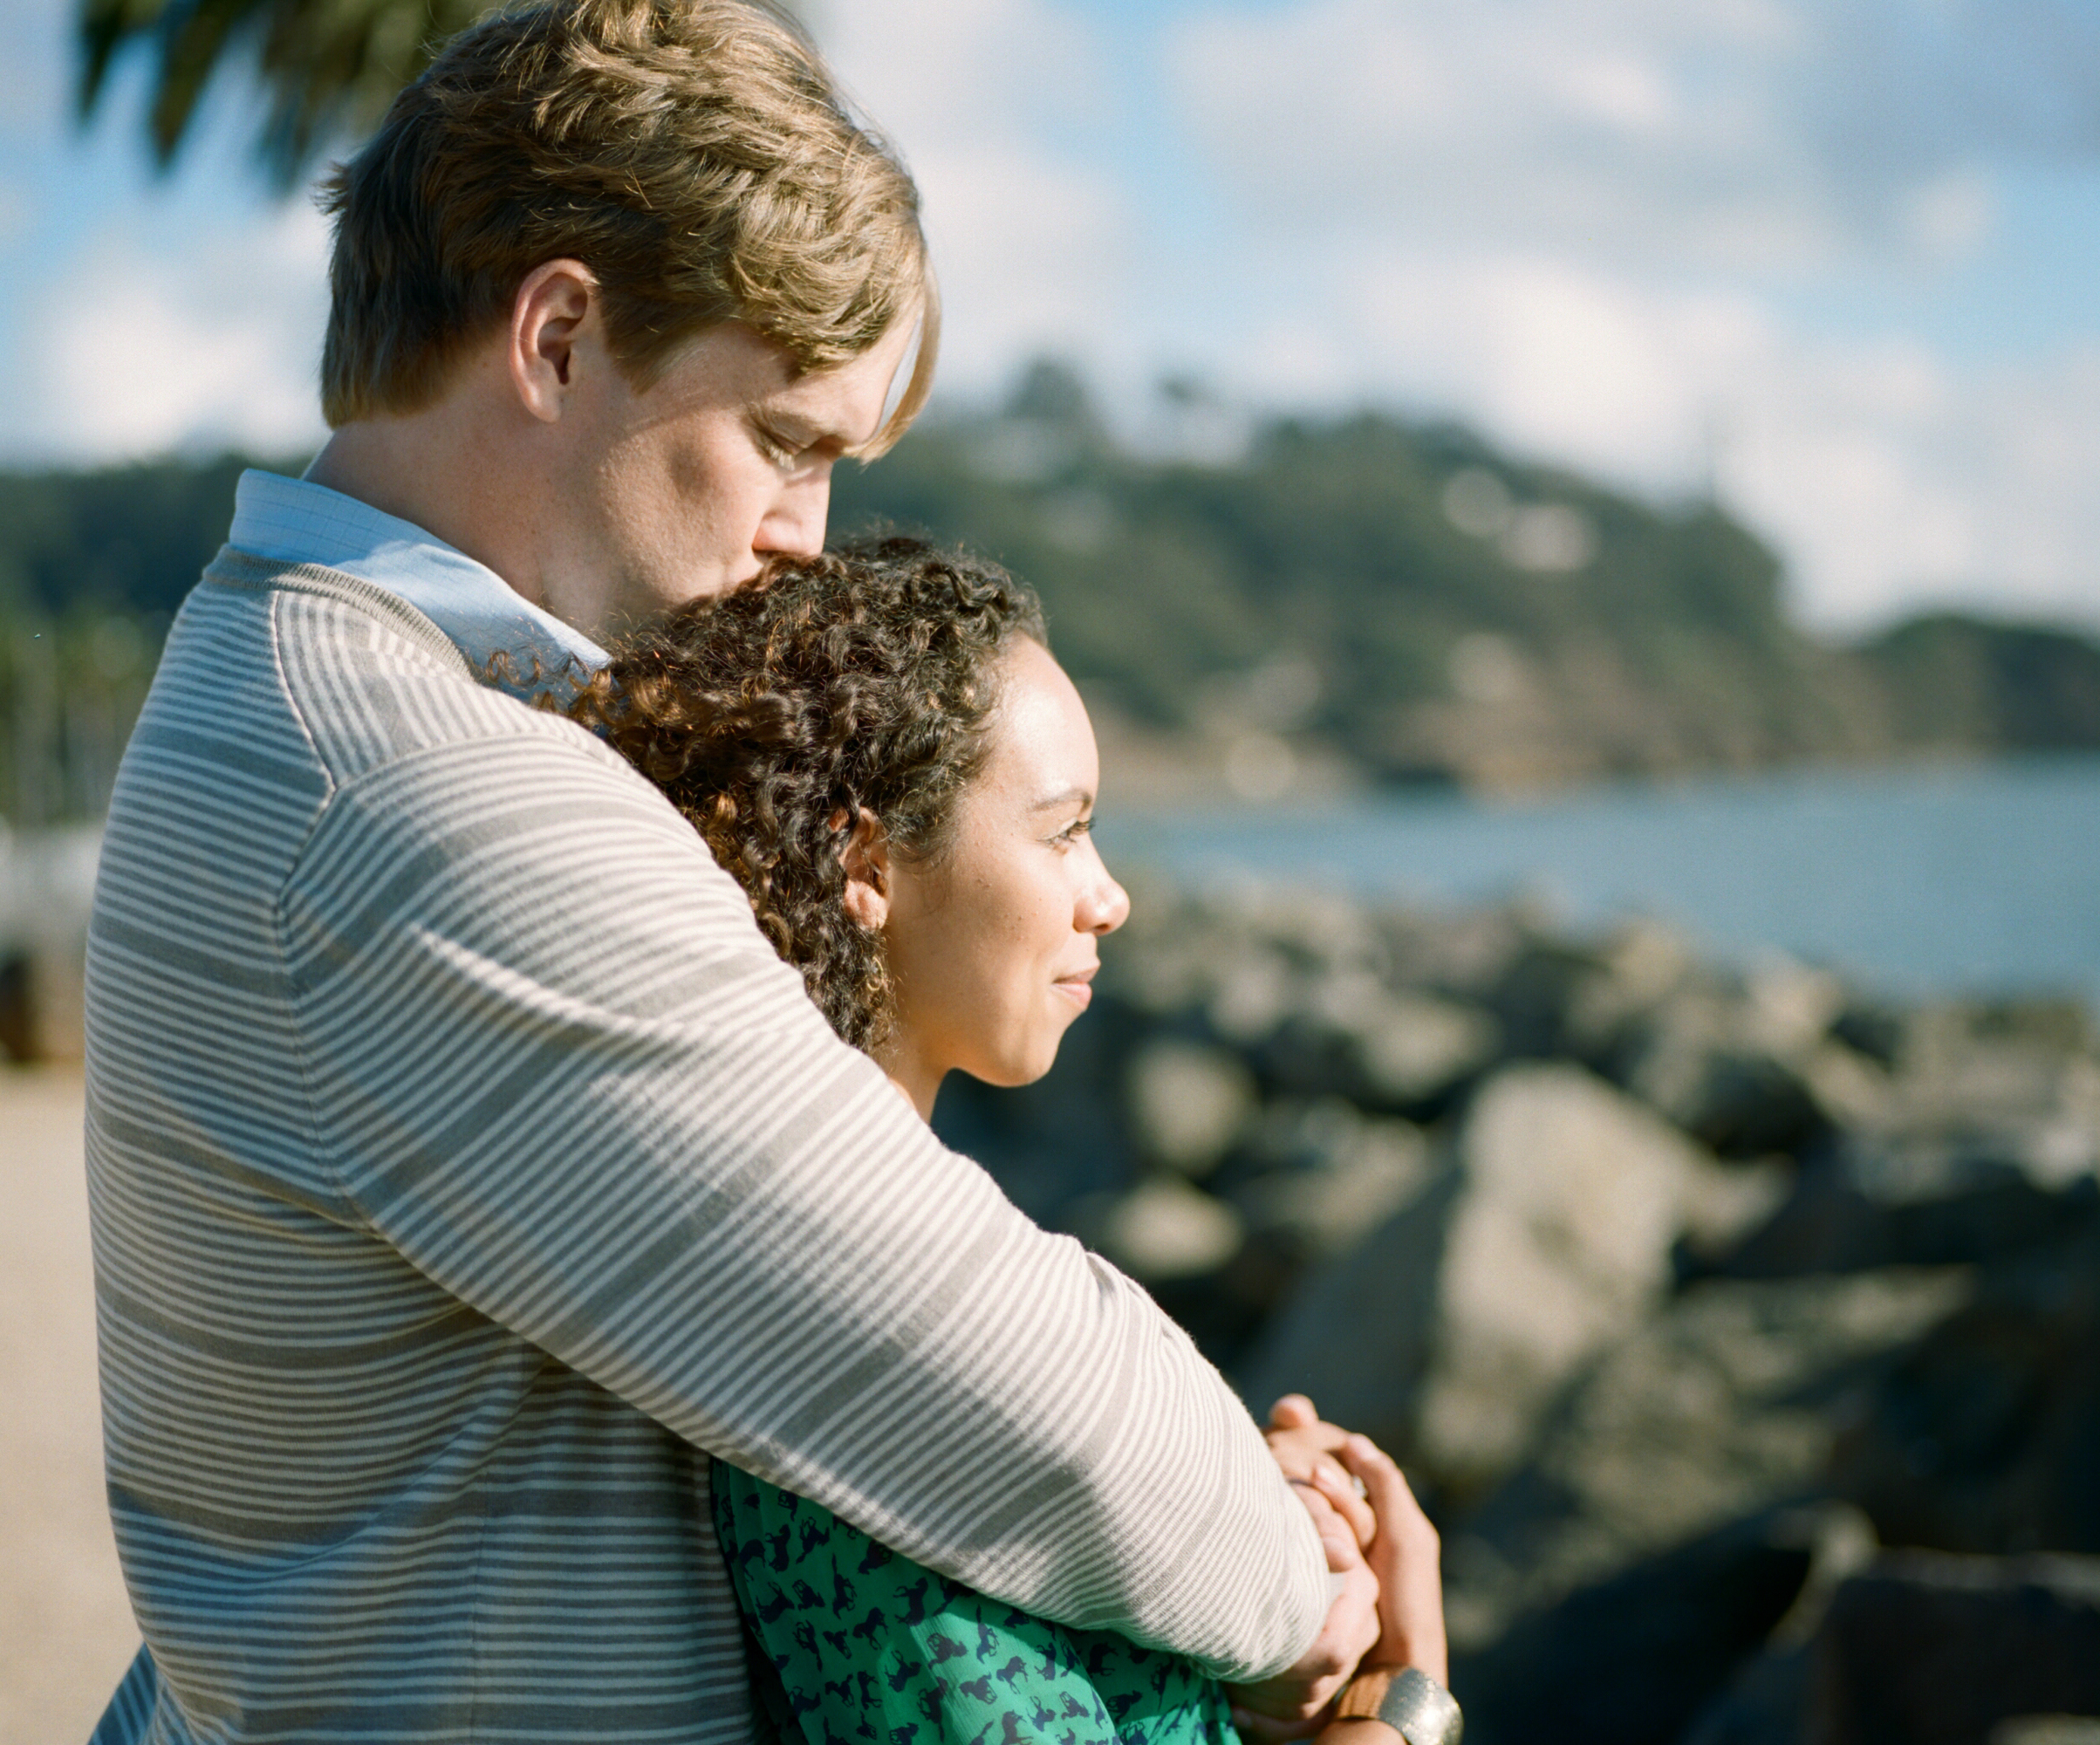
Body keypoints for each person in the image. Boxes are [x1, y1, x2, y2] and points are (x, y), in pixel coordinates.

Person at [80, 3, 1393, 1741]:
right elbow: (972, 1365)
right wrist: (1312, 1592)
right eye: (786, 440)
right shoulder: (414, 795)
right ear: (555, 339)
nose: (806, 538)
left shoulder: (263, 682)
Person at [564, 537, 1453, 1745]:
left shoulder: (915, 1308)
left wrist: (1229, 1527)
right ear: (864, 860)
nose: (1111, 896)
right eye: (1062, 832)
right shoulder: (877, 1368)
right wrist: (1406, 1703)